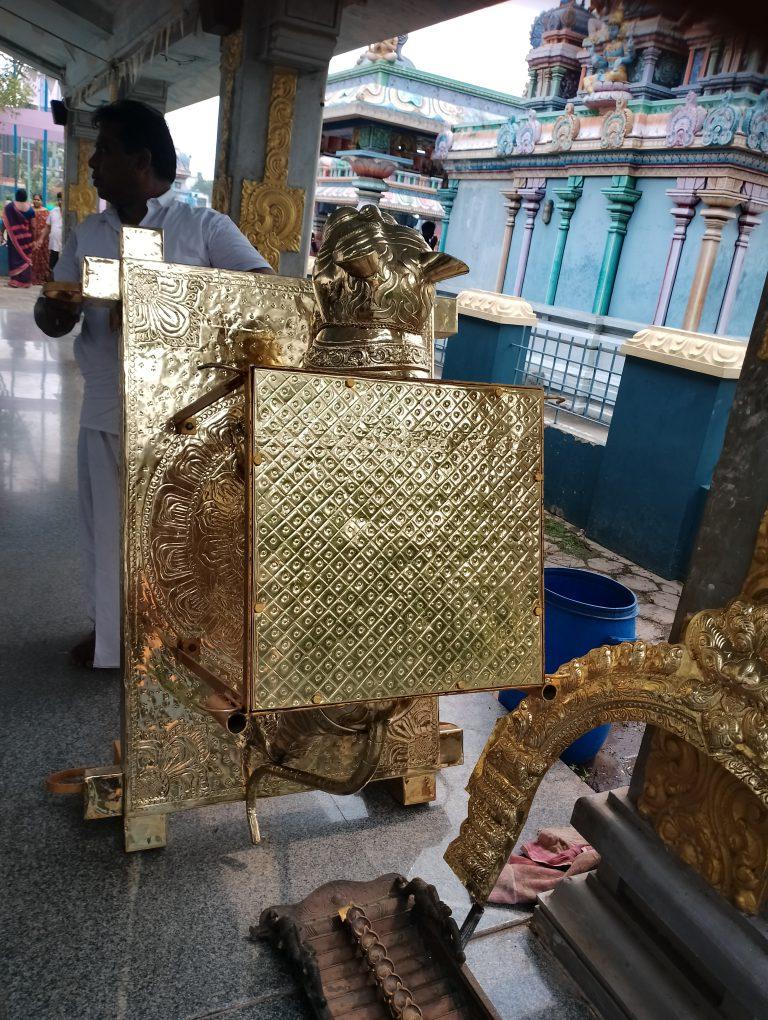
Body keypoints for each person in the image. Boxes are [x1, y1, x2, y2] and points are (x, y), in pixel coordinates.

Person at [35, 99, 272, 670]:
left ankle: (177, 639)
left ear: (141, 160)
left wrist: (164, 303)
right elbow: (51, 312)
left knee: (177, 536)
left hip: (180, 418)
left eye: (106, 150)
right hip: (104, 408)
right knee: (105, 532)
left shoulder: (204, 228)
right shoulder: (89, 231)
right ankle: (111, 635)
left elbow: (262, 296)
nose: (92, 162)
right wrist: (59, 313)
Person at [2, 188, 35, 287]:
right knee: (25, 258)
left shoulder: (9, 207)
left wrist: (1, 233)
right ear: (25, 197)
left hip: (14, 238)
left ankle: (15, 281)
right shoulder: (30, 209)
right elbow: (33, 226)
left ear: (16, 196)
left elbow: (4, 222)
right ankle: (25, 282)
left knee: (15, 257)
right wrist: (34, 238)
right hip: (26, 238)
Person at [30, 193, 50, 284]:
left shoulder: (45, 211)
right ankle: (31, 277)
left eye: (38, 200)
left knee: (43, 257)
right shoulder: (30, 211)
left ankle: (42, 276)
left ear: (41, 201)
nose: (36, 201)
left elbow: (48, 225)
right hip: (32, 238)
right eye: (34, 199)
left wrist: (43, 237)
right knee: (32, 257)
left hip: (43, 238)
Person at [48, 192, 63, 276]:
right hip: (54, 245)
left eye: (62, 199)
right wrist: (41, 239)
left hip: (64, 247)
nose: (60, 202)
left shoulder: (70, 213)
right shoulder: (53, 211)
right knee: (52, 266)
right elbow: (47, 227)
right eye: (59, 199)